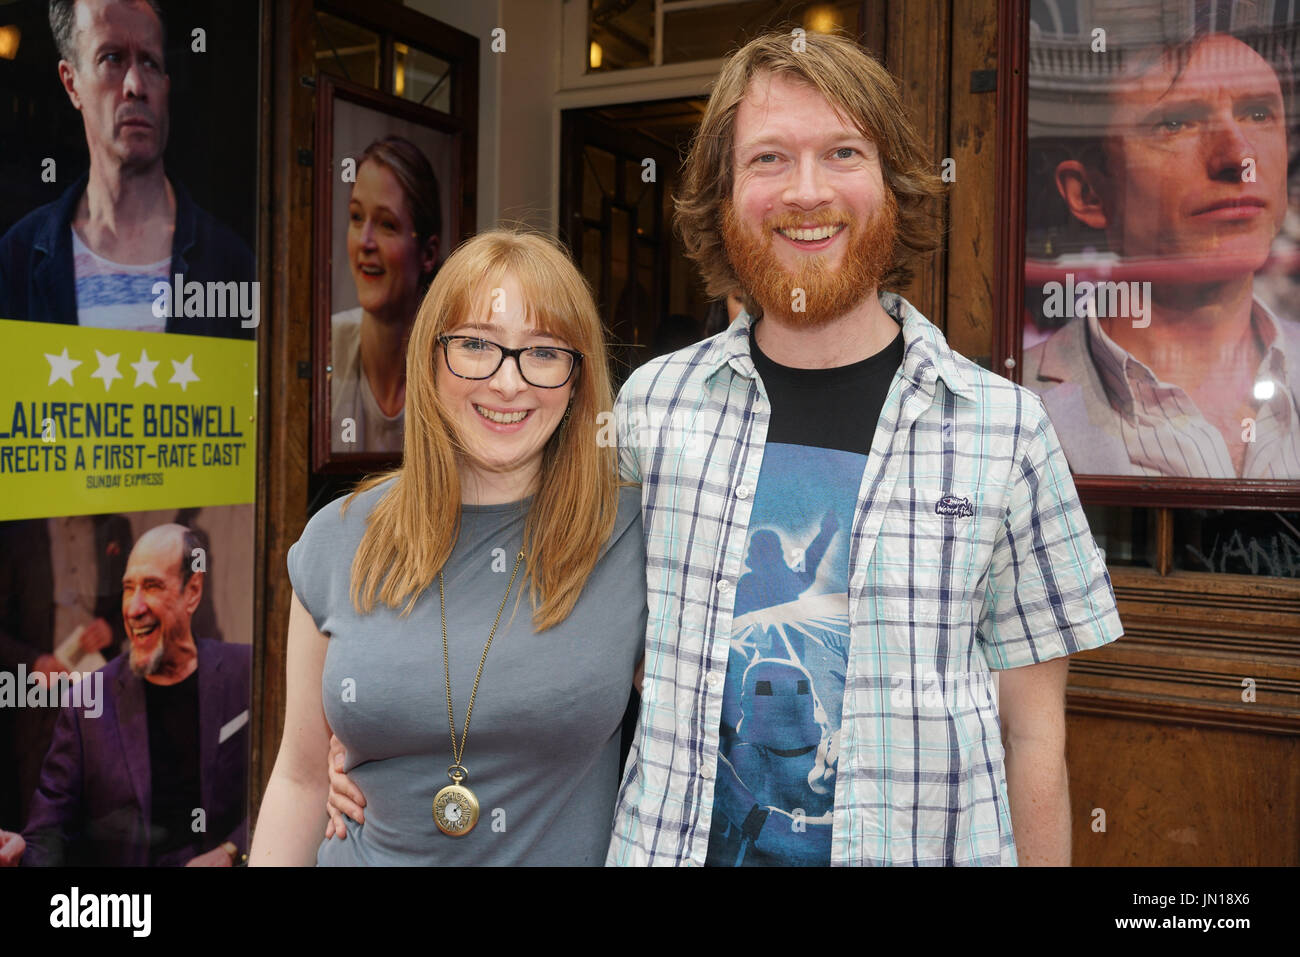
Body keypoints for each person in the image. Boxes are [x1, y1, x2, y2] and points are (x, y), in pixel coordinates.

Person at [600, 30, 1122, 866]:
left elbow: (1034, 733)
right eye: (768, 158)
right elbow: (577, 645)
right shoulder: (650, 408)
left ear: (892, 183)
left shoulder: (1005, 429)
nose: (807, 192)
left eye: (842, 151)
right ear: (724, 194)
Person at [251, 230, 646, 866]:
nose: (508, 382)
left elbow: (701, 753)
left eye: (542, 352)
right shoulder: (338, 537)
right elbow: (299, 779)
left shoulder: (631, 537)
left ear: (577, 379)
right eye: (474, 345)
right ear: (431, 361)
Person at [1021, 30, 1300, 478]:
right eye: (1174, 123)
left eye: (1258, 113)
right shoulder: (1016, 400)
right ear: (1091, 194)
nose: (1238, 156)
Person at [0, 0, 254, 338]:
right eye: (112, 58)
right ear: (71, 82)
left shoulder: (232, 265)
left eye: (150, 62)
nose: (136, 84)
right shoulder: (17, 260)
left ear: (166, 83)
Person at [0, 523, 250, 866]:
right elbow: (49, 831)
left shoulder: (246, 673)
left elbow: (289, 786)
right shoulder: (87, 701)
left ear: (192, 592)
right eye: (128, 588)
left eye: (152, 586)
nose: (133, 608)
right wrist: (22, 852)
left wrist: (230, 853)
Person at [330, 137, 441, 454]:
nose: (365, 241)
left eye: (387, 225)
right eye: (356, 217)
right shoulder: (321, 348)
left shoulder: (456, 368)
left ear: (428, 253)